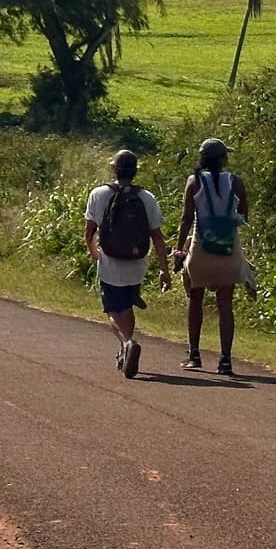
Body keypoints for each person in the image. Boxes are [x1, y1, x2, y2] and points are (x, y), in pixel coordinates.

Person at [83, 149, 171, 379]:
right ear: (135, 171)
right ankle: (125, 352)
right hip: (137, 262)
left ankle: (127, 342)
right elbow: (157, 236)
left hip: (110, 260)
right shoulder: (147, 197)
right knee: (127, 305)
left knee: (113, 309)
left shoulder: (98, 193)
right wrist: (164, 269)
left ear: (114, 169)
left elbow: (90, 230)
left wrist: (94, 252)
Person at [176, 137, 250, 376]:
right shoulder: (235, 182)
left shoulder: (194, 181)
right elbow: (243, 216)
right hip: (228, 250)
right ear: (223, 159)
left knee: (195, 300)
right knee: (225, 304)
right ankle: (225, 360)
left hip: (200, 249)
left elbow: (187, 218)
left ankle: (194, 355)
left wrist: (179, 250)